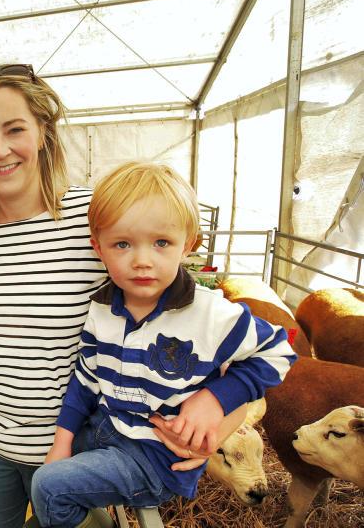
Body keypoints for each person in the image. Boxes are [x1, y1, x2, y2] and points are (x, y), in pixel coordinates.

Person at [0, 65, 252, 528]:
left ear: (44, 133)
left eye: (14, 130)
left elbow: (207, 333)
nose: (0, 150)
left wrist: (218, 417)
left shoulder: (100, 221)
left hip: (76, 449)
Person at [30, 163, 297, 527]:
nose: (142, 261)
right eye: (122, 244)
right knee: (41, 457)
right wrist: (62, 442)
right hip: (106, 428)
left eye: (161, 243)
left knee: (49, 487)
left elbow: (279, 349)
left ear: (188, 245)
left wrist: (215, 399)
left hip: (154, 456)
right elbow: (86, 380)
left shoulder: (210, 314)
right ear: (99, 248)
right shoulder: (102, 309)